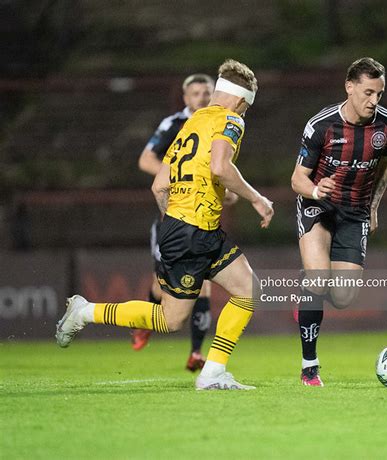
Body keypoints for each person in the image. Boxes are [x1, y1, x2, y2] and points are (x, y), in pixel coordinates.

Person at [56, 59, 274, 390]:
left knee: (248, 290)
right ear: (243, 101)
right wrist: (256, 198)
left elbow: (159, 185)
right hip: (191, 232)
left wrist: (174, 220)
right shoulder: (232, 120)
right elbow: (220, 166)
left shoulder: (194, 122)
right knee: (169, 320)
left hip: (194, 229)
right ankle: (85, 312)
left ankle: (213, 373)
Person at [291, 57, 387, 386]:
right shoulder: (321, 125)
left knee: (343, 297)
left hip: (355, 213)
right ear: (349, 87)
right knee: (318, 278)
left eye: (379, 94)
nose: (374, 101)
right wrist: (314, 188)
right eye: (368, 92)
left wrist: (375, 206)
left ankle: (308, 286)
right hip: (319, 207)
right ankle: (310, 366)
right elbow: (296, 179)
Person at [132, 73, 216, 373]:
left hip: (203, 219)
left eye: (207, 92)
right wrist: (177, 175)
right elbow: (145, 160)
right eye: (195, 93)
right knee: (160, 286)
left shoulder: (218, 122)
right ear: (185, 98)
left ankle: (196, 352)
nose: (202, 97)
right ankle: (144, 322)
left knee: (204, 285)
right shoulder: (174, 125)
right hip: (173, 219)